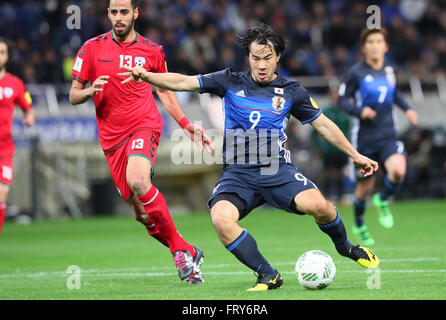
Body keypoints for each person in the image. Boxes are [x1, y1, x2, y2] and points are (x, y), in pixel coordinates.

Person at [118, 22, 380, 292]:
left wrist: (356, 155)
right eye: (255, 58)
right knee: (220, 218)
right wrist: (148, 77)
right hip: (238, 174)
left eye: (267, 58)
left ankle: (346, 247)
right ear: (249, 58)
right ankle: (268, 275)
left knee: (322, 207)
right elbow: (184, 82)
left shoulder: (292, 91)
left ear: (278, 57)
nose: (261, 64)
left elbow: (323, 125)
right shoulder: (229, 80)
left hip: (276, 170)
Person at [69, 0, 212, 285]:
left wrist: (185, 124)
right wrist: (88, 92)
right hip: (111, 139)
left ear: (136, 13)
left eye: (124, 12)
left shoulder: (152, 50)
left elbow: (166, 90)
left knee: (138, 180)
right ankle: (185, 249)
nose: (119, 17)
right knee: (141, 215)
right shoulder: (91, 48)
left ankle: (181, 253)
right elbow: (73, 94)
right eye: (114, 12)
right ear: (108, 14)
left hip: (143, 125)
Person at [338, 27, 418, 245]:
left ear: (386, 46)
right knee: (364, 188)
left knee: (398, 171)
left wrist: (408, 109)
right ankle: (360, 224)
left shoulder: (390, 70)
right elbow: (342, 100)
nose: (375, 45)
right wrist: (359, 110)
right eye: (370, 42)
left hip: (388, 135)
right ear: (364, 47)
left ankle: (382, 200)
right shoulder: (356, 72)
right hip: (364, 138)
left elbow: (394, 93)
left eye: (379, 41)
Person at [0, 38, 35, 235]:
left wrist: (29, 118)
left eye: (2, 52)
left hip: (4, 149)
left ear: (7, 56)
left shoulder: (15, 84)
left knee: (2, 194)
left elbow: (28, 108)